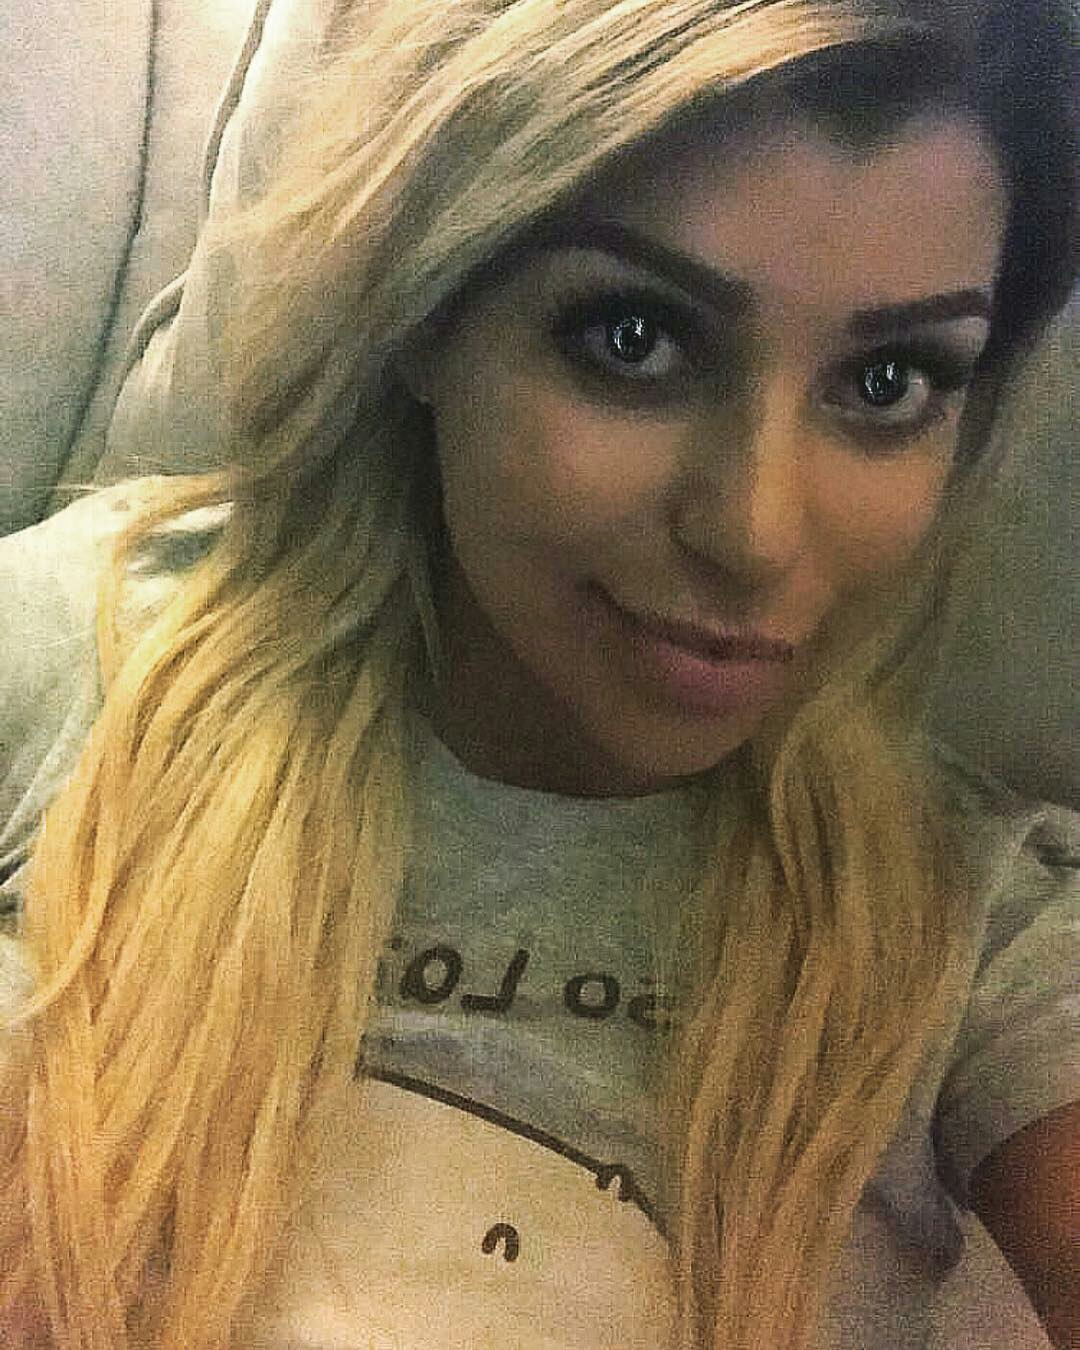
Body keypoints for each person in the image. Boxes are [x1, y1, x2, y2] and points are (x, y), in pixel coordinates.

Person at [0, 0, 1076, 1346]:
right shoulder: (82, 653)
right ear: (424, 311)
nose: (754, 533)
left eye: (889, 380)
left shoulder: (980, 934)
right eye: (634, 338)